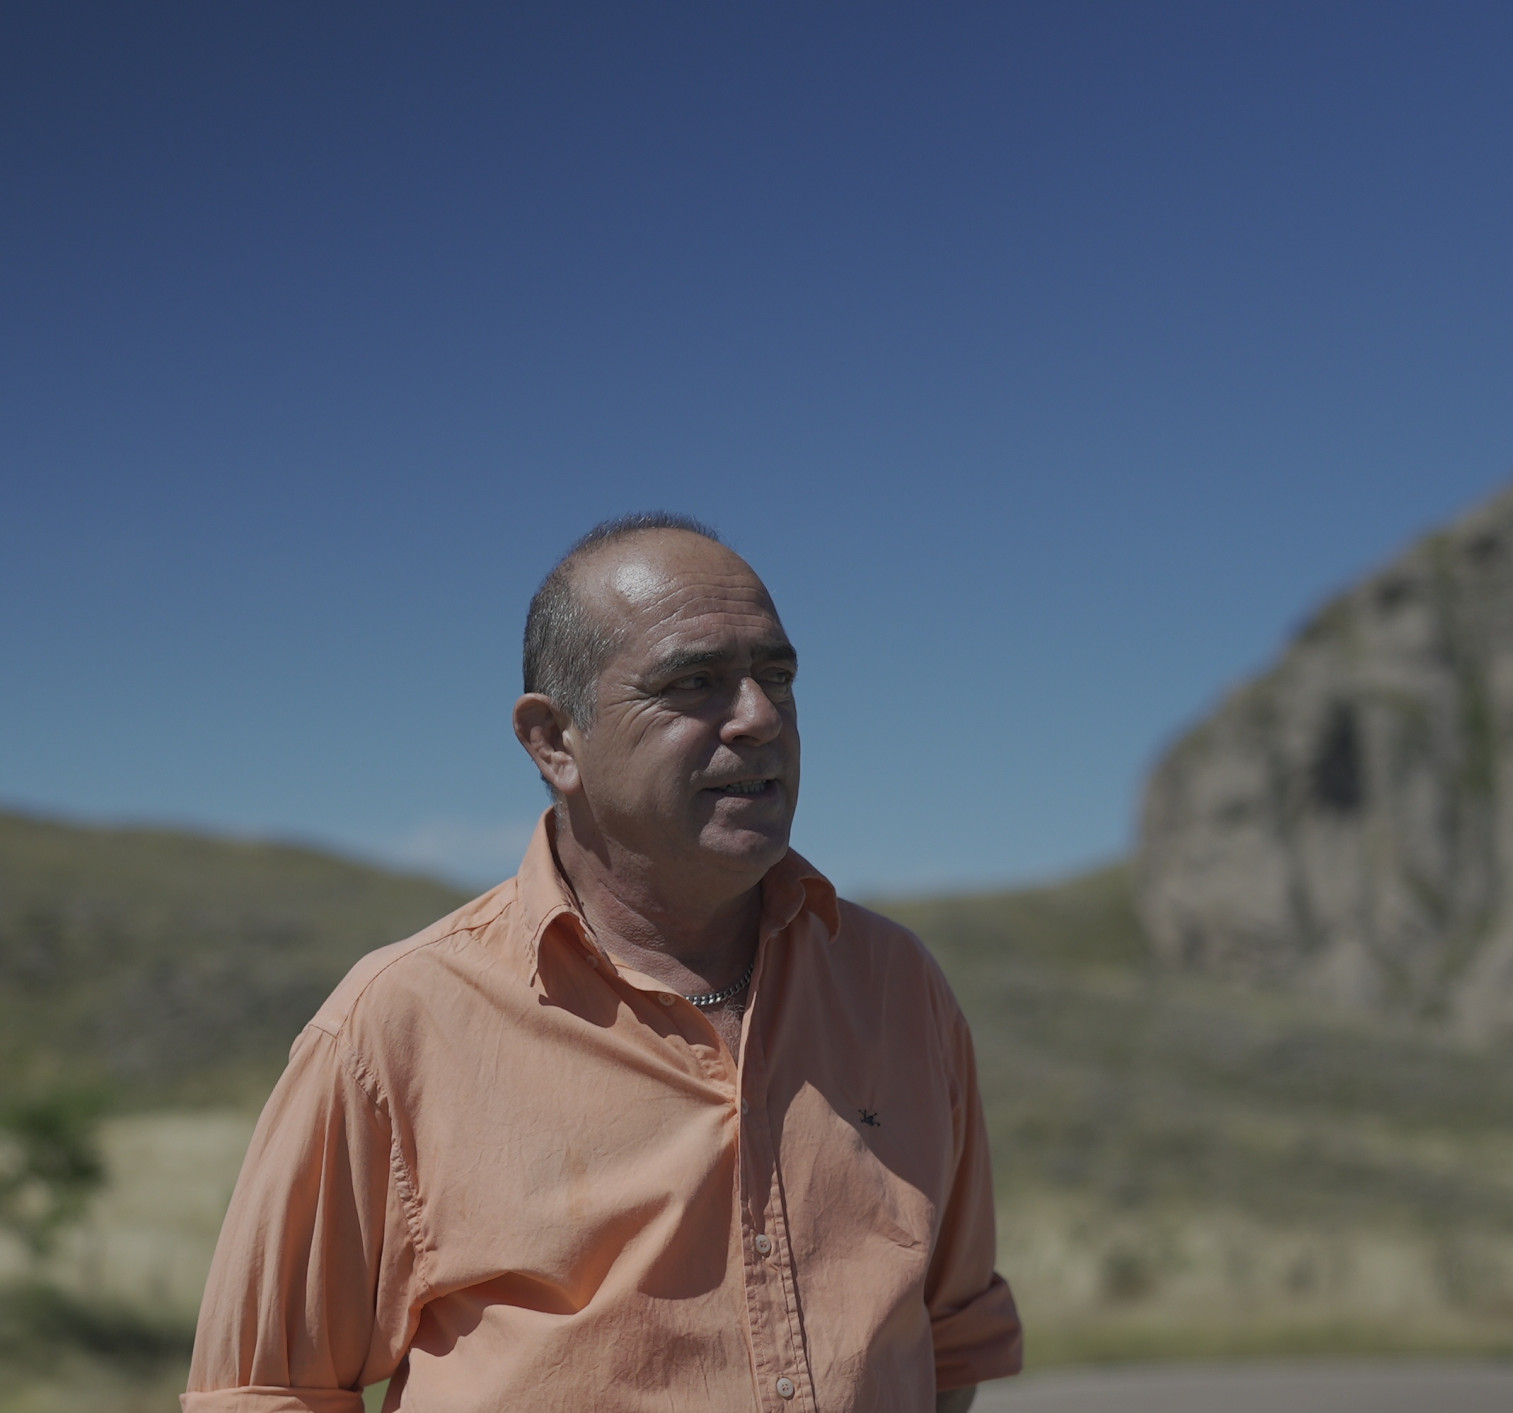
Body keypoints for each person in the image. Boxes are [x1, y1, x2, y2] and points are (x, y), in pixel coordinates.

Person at [184, 515, 1021, 1413]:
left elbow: (946, 1342)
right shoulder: (397, 1025)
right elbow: (265, 1392)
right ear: (553, 742)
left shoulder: (896, 987)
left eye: (777, 676)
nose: (761, 717)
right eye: (694, 682)